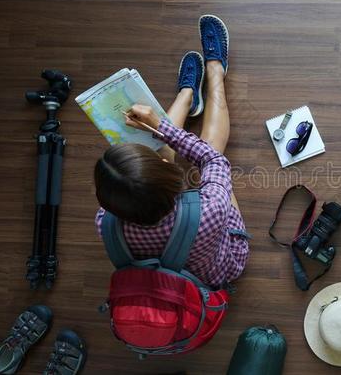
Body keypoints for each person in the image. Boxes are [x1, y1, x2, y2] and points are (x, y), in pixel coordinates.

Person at [93, 15, 249, 288]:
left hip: (172, 281)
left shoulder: (104, 223)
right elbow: (213, 160)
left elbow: (139, 182)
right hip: (217, 270)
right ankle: (215, 73)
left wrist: (158, 146)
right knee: (210, 149)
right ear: (173, 179)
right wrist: (160, 126)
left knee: (149, 166)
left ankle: (187, 96)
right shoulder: (211, 210)